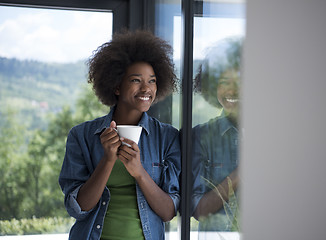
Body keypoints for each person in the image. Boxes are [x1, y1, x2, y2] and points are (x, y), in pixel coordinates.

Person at [58, 30, 181, 240]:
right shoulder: (82, 136)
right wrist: (107, 160)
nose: (146, 88)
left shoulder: (167, 137)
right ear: (116, 85)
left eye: (152, 81)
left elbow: (168, 212)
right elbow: (78, 209)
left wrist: (139, 172)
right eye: (136, 80)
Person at [192, 37, 242, 233]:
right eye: (223, 82)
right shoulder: (201, 136)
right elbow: (198, 210)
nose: (232, 89)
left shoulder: (278, 135)